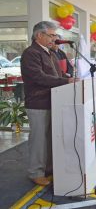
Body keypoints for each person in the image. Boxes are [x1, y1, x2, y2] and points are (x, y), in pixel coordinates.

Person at [21, 21, 76, 186]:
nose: (55, 38)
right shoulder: (31, 53)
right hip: (38, 103)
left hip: (53, 101)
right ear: (39, 35)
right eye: (51, 35)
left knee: (51, 138)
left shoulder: (50, 53)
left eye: (55, 35)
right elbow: (38, 77)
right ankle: (35, 172)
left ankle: (48, 168)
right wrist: (66, 81)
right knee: (39, 140)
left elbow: (57, 74)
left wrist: (67, 78)